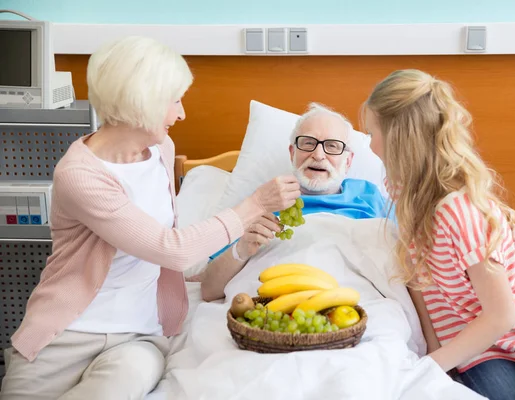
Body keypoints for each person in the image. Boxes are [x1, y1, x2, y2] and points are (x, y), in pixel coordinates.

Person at [0, 36, 300, 400]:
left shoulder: (161, 150)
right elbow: (170, 249)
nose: (182, 113)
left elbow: (161, 251)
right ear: (143, 101)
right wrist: (254, 204)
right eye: (175, 100)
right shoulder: (80, 174)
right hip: (65, 332)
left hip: (138, 337)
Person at [361, 69, 515, 399]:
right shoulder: (404, 198)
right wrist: (437, 361)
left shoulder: (458, 210)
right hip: (473, 343)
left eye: (372, 133)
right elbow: (421, 287)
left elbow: (503, 315)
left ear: (399, 138)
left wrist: (429, 366)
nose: (370, 146)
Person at [190, 103, 388, 301]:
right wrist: (242, 248)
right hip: (271, 302)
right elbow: (209, 290)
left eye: (332, 146)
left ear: (349, 160)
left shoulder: (369, 196)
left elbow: (406, 260)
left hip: (355, 302)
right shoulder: (264, 200)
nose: (318, 155)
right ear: (292, 152)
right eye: (308, 143)